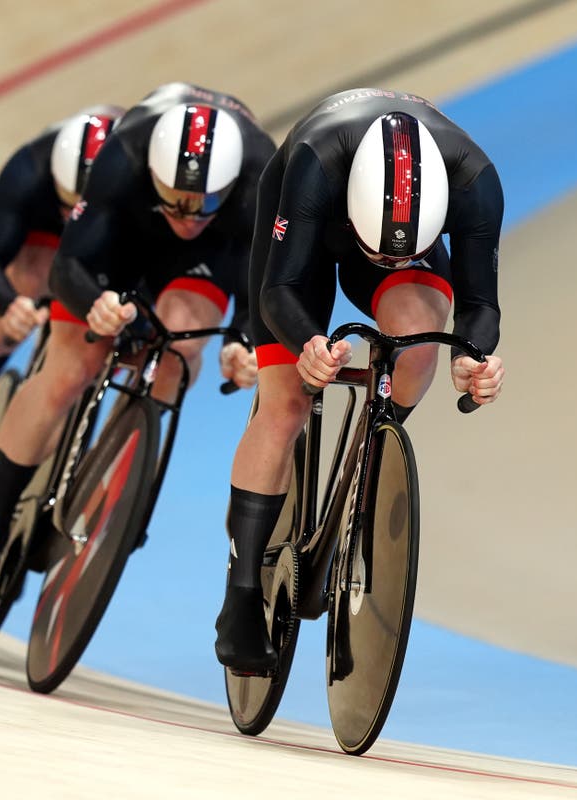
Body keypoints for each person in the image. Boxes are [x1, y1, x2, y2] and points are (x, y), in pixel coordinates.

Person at [0, 83, 275, 617]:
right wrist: (92, 305)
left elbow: (265, 281)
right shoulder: (122, 157)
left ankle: (120, 463)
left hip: (215, 252)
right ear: (152, 173)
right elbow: (67, 265)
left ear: (231, 185)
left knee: (178, 350)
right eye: (178, 200)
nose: (190, 215)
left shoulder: (263, 181)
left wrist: (242, 339)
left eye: (205, 203)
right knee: (71, 369)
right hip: (127, 236)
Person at [214, 88, 506, 674]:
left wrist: (475, 358)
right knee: (287, 402)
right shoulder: (316, 164)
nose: (389, 263)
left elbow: (481, 305)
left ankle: (371, 456)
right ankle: (240, 594)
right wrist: (310, 347)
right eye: (381, 252)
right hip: (308, 235)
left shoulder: (474, 181)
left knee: (421, 341)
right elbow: (279, 293)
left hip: (398, 224)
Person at [0, 104, 125, 465]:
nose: (75, 216)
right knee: (29, 272)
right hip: (44, 237)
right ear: (54, 177)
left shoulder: (132, 181)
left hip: (108, 236)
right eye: (69, 202)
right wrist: (10, 305)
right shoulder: (28, 168)